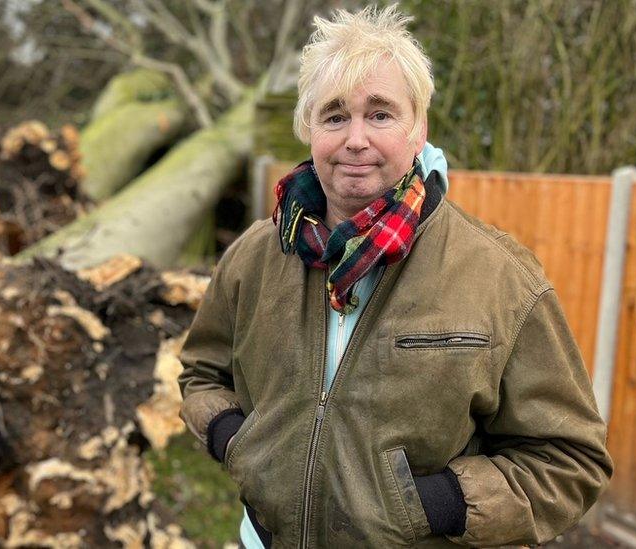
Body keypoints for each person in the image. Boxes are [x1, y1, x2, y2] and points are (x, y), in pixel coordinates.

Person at [177, 5, 612, 548]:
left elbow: (569, 461)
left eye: (380, 114)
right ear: (309, 129)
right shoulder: (254, 257)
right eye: (335, 116)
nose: (356, 139)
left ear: (417, 128)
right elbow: (202, 374)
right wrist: (236, 440)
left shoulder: (501, 279)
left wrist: (439, 505)